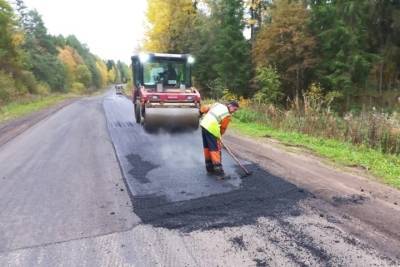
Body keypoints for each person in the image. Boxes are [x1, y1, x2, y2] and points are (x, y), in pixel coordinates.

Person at [200, 100, 239, 178]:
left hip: (203, 125)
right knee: (215, 149)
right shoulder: (227, 115)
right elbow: (223, 128)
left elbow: (204, 108)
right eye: (234, 109)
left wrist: (200, 112)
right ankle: (218, 171)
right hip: (212, 128)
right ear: (230, 106)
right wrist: (219, 136)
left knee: (207, 147)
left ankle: (209, 167)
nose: (233, 112)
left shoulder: (217, 105)